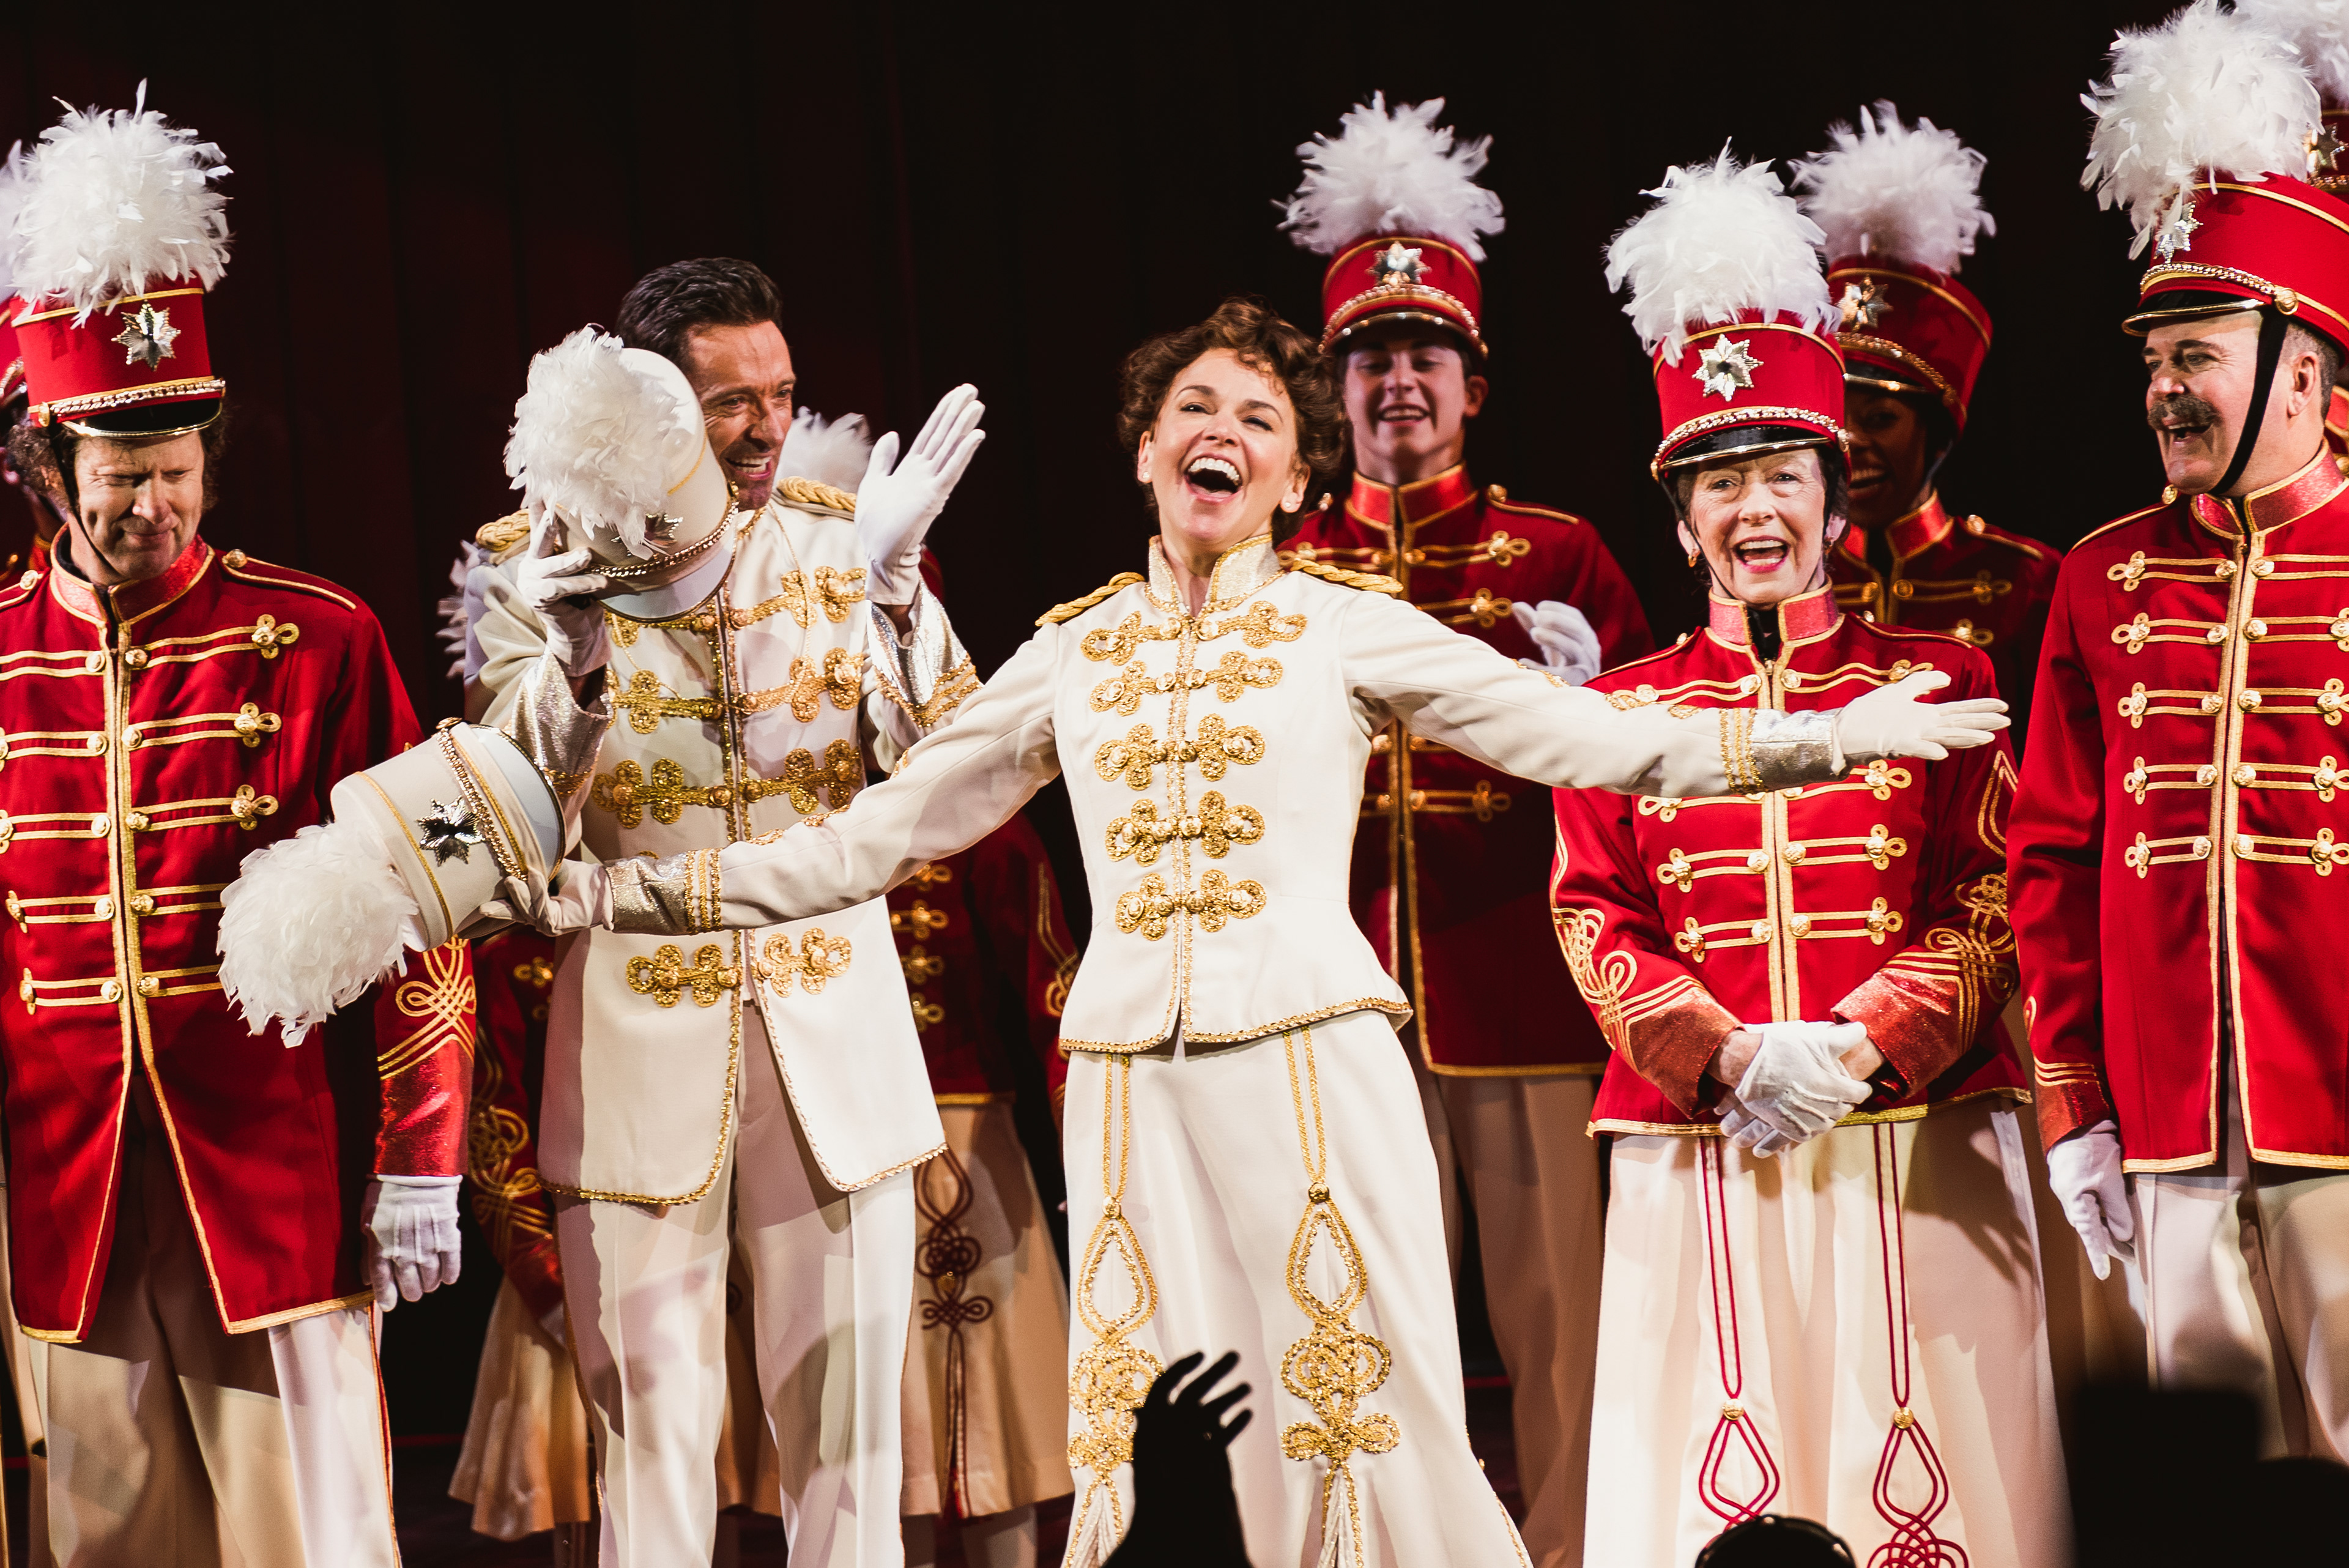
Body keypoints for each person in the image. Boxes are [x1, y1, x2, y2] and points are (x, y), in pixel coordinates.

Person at [494, 294, 2006, 1567]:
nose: (1222, 432)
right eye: (1194, 411)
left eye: (1261, 420)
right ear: (1147, 452)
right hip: (1124, 1085)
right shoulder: (1073, 650)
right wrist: (631, 897)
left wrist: (1817, 738)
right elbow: (873, 836)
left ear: (1292, 476)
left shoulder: (1342, 625)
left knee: (1368, 1400)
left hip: (1310, 1061)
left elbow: (1593, 739)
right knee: (1154, 1412)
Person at [1552, 149, 2066, 1568]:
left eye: (1781, 475)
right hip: (1702, 1141)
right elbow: (1591, 908)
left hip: (1916, 1132)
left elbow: (1989, 891)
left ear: (1834, 500)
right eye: (1720, 482)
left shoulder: (1943, 674)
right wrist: (1723, 1055)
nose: (1754, 511)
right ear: (1681, 518)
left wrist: (1857, 1043)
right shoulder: (1617, 711)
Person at [0, 94, 470, 1563]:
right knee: (106, 1538)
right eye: (121, 477)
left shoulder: (319, 635)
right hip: (63, 1189)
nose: (154, 505)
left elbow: (424, 902)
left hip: (268, 1179)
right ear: (45, 469)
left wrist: (425, 1151)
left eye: (177, 471)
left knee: (309, 1533)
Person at [472, 266, 989, 1564]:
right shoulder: (538, 563)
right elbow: (512, 820)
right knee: (648, 1446)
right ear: (652, 407)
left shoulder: (844, 542)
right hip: (637, 1040)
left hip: (836, 1031)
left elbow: (956, 770)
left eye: (782, 395)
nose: (766, 429)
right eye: (729, 403)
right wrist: (573, 656)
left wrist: (897, 589)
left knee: (853, 1452)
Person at [1277, 100, 1650, 1565]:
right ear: (1335, 389)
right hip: (1341, 1000)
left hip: (1523, 993)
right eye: (1370, 360)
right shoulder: (1282, 566)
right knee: (1367, 1317)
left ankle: (1570, 1550)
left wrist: (1595, 701)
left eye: (1424, 357)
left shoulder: (1558, 551)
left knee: (1560, 1320)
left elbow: (1651, 771)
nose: (1398, 384)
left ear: (1472, 384)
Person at [2016, 1, 2349, 1463]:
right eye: (2153, 355)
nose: (2163, 387)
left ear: (2302, 373)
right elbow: (2048, 858)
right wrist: (2075, 1105)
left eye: (2196, 352)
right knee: (2219, 1507)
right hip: (2170, 1136)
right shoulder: (2100, 577)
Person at [1794, 103, 2063, 753]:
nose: (1851, 443)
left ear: (1939, 434)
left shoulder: (2029, 579)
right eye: (1835, 419)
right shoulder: (1788, 575)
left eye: (1880, 419)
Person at [891, 811, 1080, 1568]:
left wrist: (1087, 1142)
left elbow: (1054, 993)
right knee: (882, 1418)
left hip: (971, 1136)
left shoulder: (988, 834)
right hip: (841, 1143)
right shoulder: (811, 821)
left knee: (1000, 1404)